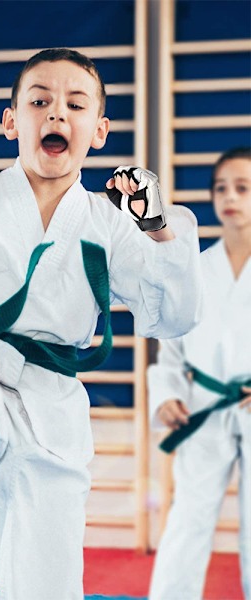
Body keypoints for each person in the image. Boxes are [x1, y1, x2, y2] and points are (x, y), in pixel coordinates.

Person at [0, 48, 203, 599]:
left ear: (98, 130)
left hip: (49, 408)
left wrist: (158, 226)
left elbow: (174, 315)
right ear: (10, 122)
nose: (56, 115)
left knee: (38, 580)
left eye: (75, 104)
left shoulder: (112, 223)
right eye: (39, 101)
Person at [147, 147, 251, 600]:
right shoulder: (196, 268)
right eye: (221, 188)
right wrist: (166, 394)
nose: (231, 197)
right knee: (188, 518)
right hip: (204, 406)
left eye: (243, 188)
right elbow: (171, 345)